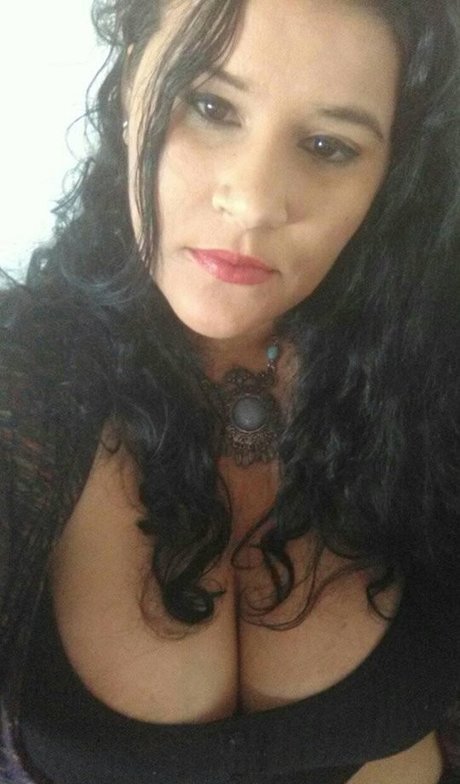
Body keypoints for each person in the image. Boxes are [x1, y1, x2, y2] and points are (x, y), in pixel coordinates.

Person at [0, 0, 459, 781]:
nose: (252, 202)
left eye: (328, 145)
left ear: (391, 174)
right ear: (130, 85)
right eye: (211, 107)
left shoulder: (430, 372)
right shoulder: (23, 393)